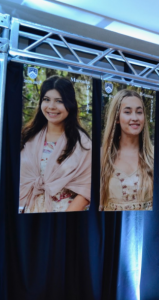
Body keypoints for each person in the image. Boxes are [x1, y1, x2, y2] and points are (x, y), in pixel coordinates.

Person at [19, 76, 92, 213]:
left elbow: (87, 189)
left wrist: (63, 219)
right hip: (29, 214)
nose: (51, 106)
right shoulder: (27, 137)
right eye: (46, 99)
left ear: (70, 104)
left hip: (66, 217)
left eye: (59, 101)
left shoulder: (83, 144)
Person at [100, 89, 154, 211]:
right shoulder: (103, 155)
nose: (135, 118)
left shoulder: (155, 156)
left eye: (139, 112)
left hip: (147, 227)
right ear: (117, 118)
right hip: (112, 227)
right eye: (128, 112)